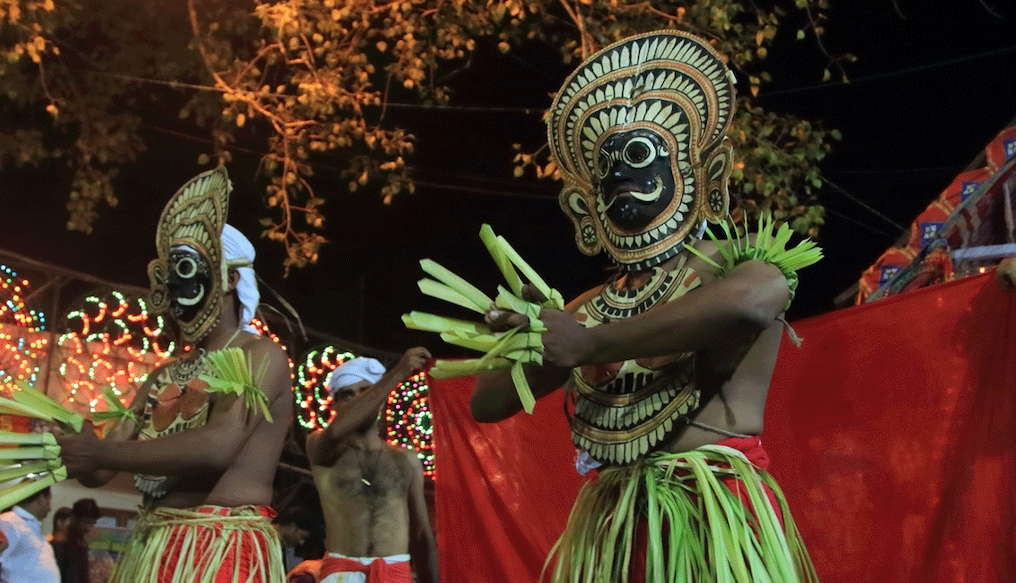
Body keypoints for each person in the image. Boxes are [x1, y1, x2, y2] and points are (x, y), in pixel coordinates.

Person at [471, 31, 818, 583]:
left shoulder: (737, 266)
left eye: (638, 153)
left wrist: (591, 343)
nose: (620, 175)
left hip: (712, 519)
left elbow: (755, 303)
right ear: (587, 202)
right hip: (614, 528)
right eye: (605, 165)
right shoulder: (587, 306)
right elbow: (486, 403)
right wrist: (536, 339)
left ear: (697, 171)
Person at [55, 166, 294, 583]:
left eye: (187, 268)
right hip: (156, 544)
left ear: (230, 278)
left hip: (222, 548)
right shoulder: (164, 376)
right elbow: (99, 471)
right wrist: (71, 441)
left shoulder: (261, 355)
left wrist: (101, 454)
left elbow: (219, 444)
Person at [306, 350, 438, 583]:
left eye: (365, 392)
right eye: (348, 395)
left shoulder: (405, 459)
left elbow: (421, 534)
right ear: (335, 404)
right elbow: (337, 430)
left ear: (379, 396)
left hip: (393, 573)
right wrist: (398, 372)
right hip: (341, 572)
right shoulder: (320, 446)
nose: (358, 400)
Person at [0, 485, 59, 583]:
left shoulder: (32, 528)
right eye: (49, 499)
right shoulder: (10, 521)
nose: (50, 507)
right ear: (40, 498)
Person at [51, 499, 99, 583]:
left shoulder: (81, 544)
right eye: (86, 522)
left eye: (92, 524)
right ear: (74, 519)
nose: (88, 528)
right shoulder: (61, 544)